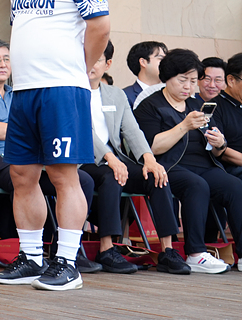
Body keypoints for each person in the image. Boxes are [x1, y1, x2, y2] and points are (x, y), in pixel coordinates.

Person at [0, 0, 110, 292]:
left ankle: (66, 262)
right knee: (22, 174)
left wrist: (81, 66)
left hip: (62, 89)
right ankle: (31, 258)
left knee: (63, 176)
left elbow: (100, 27)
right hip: (24, 91)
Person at [0, 38, 96, 269]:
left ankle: (64, 251)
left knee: (83, 180)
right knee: (24, 176)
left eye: (7, 59)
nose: (3, 64)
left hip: (31, 156)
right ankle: (32, 253)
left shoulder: (20, 95)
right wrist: (35, 133)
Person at [79, 41, 189, 274]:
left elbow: (132, 130)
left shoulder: (115, 94)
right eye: (86, 57)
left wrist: (149, 159)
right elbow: (82, 130)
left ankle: (167, 250)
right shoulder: (71, 92)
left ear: (107, 64)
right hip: (84, 160)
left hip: (117, 159)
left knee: (158, 176)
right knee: (111, 176)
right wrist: (110, 158)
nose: (91, 64)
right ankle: (107, 249)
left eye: (97, 59)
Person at [135, 48, 241, 273]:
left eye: (193, 81)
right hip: (170, 165)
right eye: (183, 80)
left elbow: (217, 151)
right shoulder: (151, 106)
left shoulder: (195, 105)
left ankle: (241, 255)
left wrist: (219, 142)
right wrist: (183, 126)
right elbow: (150, 146)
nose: (188, 87)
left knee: (235, 187)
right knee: (196, 185)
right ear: (167, 77)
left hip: (204, 165)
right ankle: (195, 252)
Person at [124, 42, 167, 108]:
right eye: (161, 59)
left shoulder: (170, 94)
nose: (166, 63)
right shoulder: (125, 96)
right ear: (143, 62)